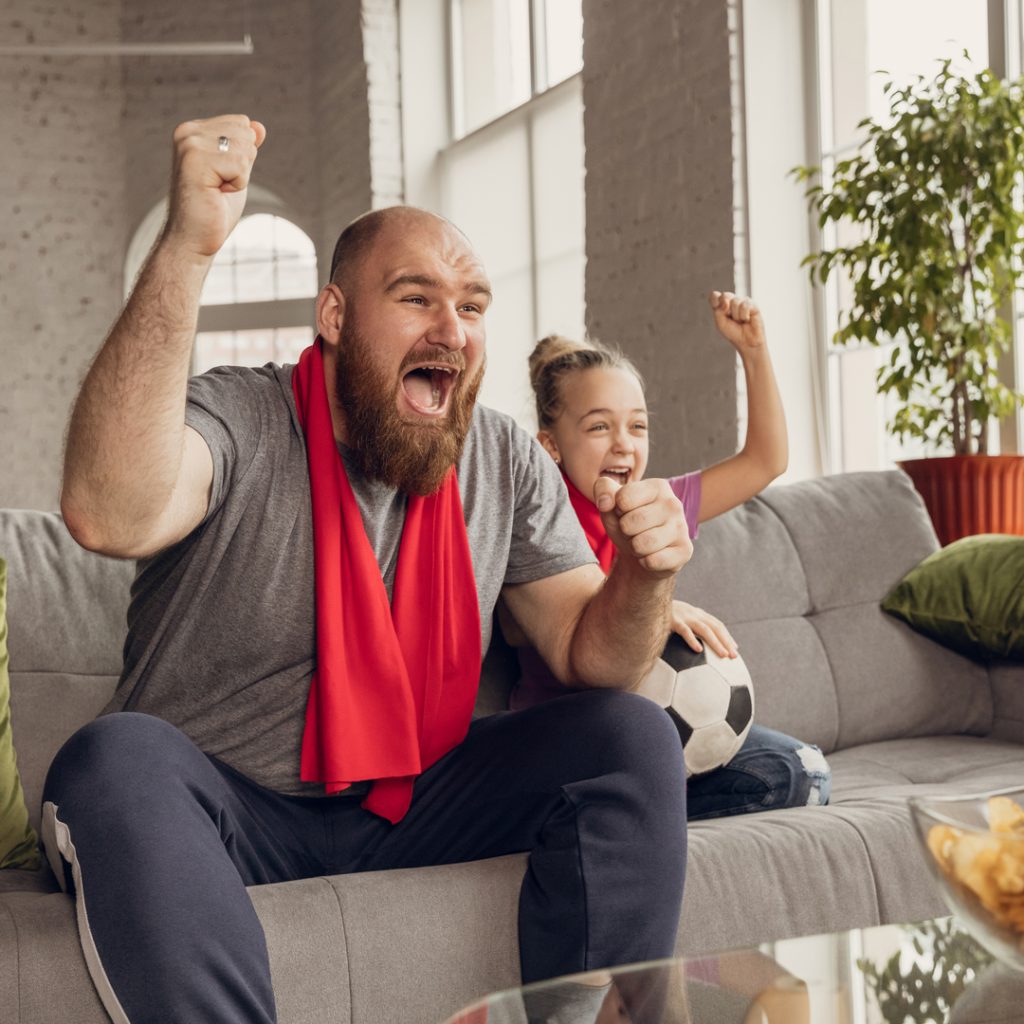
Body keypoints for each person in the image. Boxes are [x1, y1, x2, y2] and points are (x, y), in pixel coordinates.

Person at [41, 114, 693, 1024]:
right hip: (226, 809)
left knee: (629, 736)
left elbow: (596, 658)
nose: (451, 329)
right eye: (417, 298)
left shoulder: (502, 456)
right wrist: (187, 251)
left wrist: (644, 578)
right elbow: (107, 512)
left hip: (417, 799)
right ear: (335, 317)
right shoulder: (243, 416)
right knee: (115, 758)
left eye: (472, 307)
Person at [513, 300, 832, 819]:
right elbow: (520, 628)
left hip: (661, 727)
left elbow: (765, 461)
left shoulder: (657, 504)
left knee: (804, 771)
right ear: (550, 445)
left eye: (637, 426)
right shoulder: (537, 517)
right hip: (579, 734)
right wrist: (654, 603)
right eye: (599, 427)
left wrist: (753, 351)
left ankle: (634, 807)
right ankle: (602, 806)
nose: (623, 445)